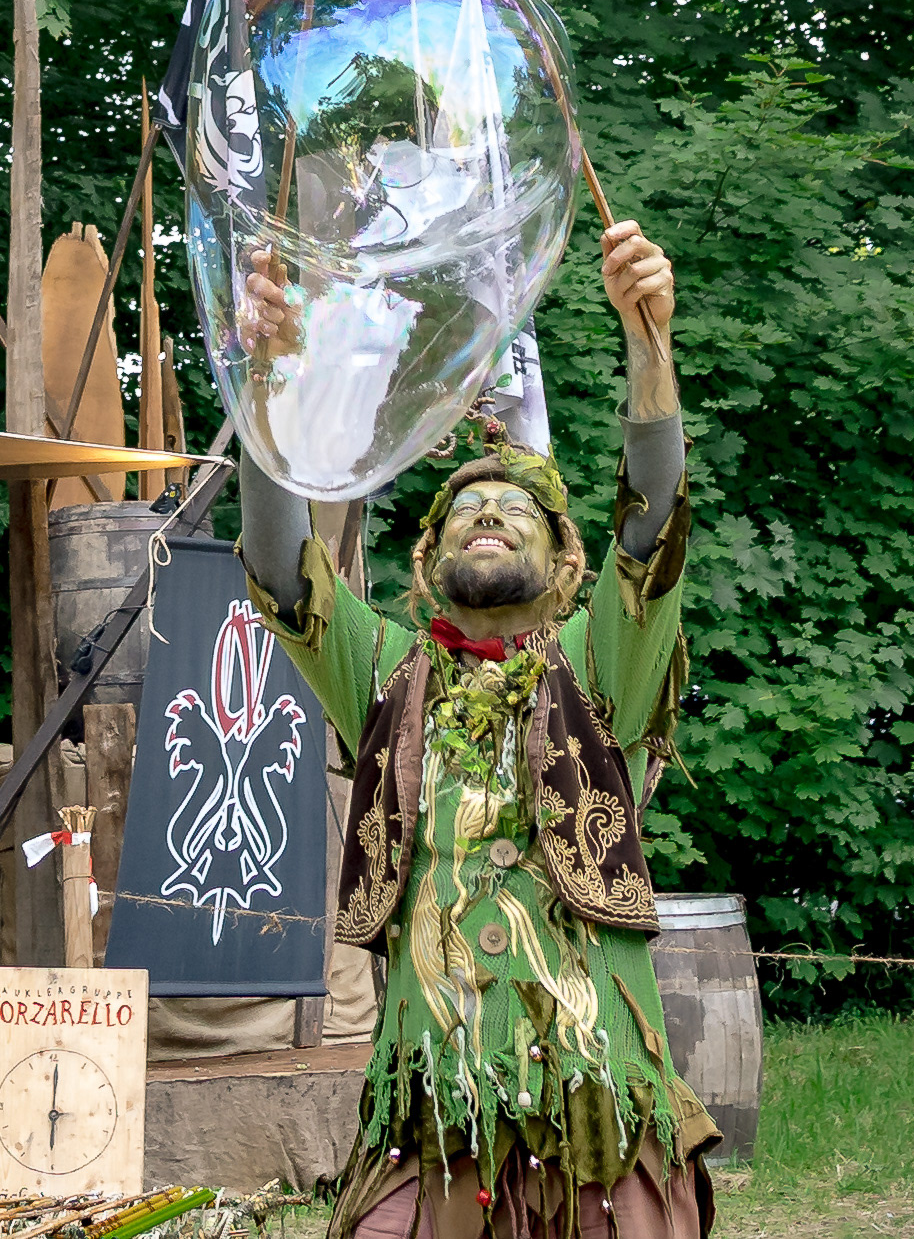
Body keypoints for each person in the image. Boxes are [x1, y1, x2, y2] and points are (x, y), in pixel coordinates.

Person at [236, 222, 718, 1239]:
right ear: (427, 563)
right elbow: (284, 570)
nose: (483, 514)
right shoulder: (386, 672)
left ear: (567, 565)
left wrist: (648, 343)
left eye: (513, 508)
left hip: (598, 1117)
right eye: (462, 509)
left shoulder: (599, 662)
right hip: (433, 1130)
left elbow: (653, 520)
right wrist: (267, 388)